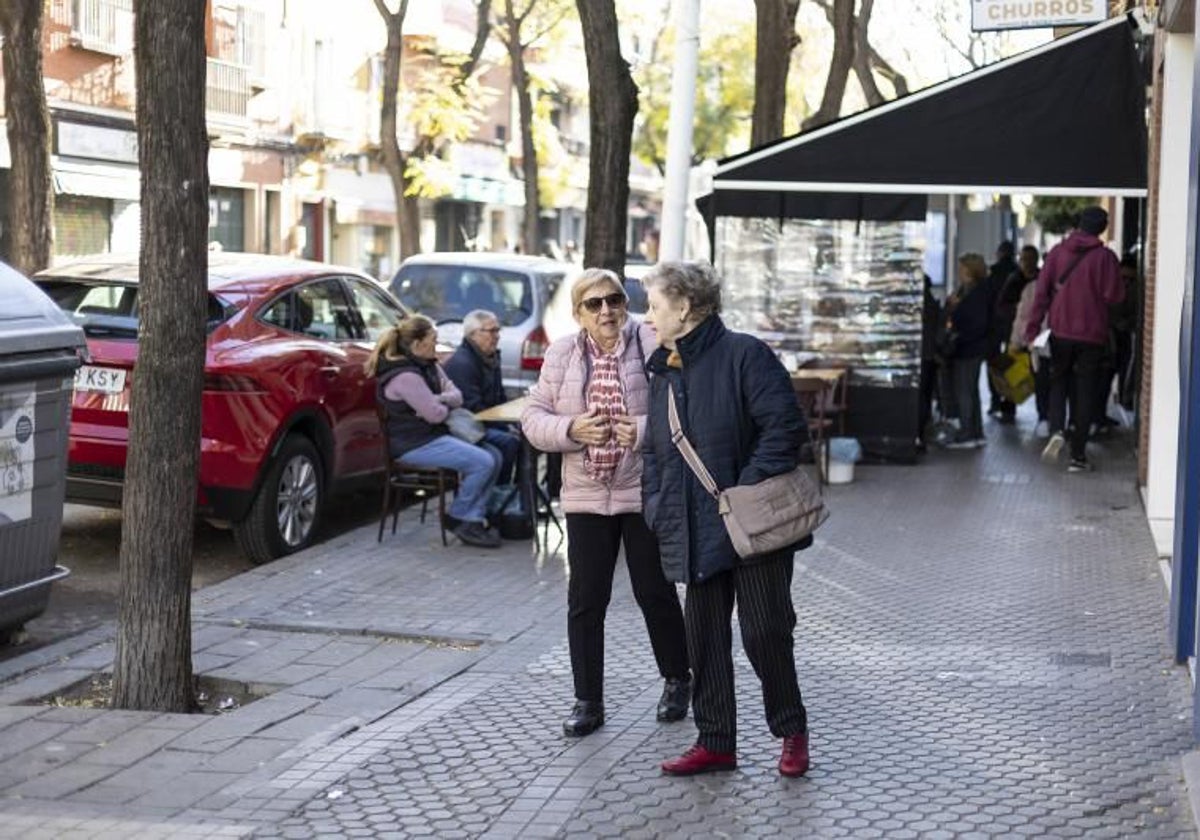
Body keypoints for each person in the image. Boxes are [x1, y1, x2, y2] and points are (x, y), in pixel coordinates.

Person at [640, 261, 811, 779]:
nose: (647, 316)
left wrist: (740, 493)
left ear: (686, 307)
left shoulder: (746, 354)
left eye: (654, 305)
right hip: (692, 530)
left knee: (765, 633)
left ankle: (791, 730)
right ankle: (715, 741)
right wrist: (655, 506)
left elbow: (784, 429)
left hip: (751, 527)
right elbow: (655, 452)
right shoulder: (664, 370)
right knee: (705, 640)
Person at [522, 268, 691, 738]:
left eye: (614, 300)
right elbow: (533, 417)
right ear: (578, 313)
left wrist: (638, 431)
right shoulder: (562, 353)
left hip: (641, 489)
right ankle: (587, 700)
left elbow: (682, 409)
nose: (606, 311)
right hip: (586, 494)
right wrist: (571, 429)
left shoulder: (652, 343)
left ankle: (678, 679)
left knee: (654, 592)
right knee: (586, 600)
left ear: (626, 303)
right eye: (594, 304)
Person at [366, 315, 503, 548]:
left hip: (433, 436)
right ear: (417, 344)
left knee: (496, 456)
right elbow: (436, 415)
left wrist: (437, 399)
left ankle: (474, 518)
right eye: (433, 339)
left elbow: (456, 396)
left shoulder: (430, 365)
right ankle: (460, 516)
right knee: (484, 462)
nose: (436, 344)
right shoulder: (405, 376)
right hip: (413, 444)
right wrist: (438, 404)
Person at [1023, 205, 1124, 473]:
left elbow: (1041, 295)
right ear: (1102, 228)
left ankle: (1057, 428)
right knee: (1085, 391)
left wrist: (1032, 331)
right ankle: (1078, 456)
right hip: (1092, 335)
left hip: (1061, 332)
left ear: (1079, 224)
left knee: (1058, 381)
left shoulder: (1057, 253)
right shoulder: (1106, 258)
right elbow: (1115, 296)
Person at [443, 309, 521, 486]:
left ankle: (519, 495)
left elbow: (500, 398)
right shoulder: (463, 362)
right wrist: (506, 427)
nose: (497, 336)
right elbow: (474, 409)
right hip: (465, 427)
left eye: (498, 330)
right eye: (491, 331)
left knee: (526, 437)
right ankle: (499, 497)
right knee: (509, 442)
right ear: (472, 335)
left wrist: (513, 422)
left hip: (483, 422)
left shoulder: (489, 357)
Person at [943, 254, 992, 449]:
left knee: (964, 391)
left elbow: (972, 321)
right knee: (971, 390)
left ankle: (967, 433)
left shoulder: (973, 294)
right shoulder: (979, 291)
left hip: (968, 347)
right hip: (974, 346)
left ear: (970, 271)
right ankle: (976, 431)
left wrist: (953, 310)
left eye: (962, 268)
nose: (959, 272)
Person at [1007, 246, 1052, 437]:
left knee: (1043, 380)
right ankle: (1064, 421)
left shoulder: (1033, 287)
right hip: (1065, 340)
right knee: (1062, 382)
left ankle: (1045, 419)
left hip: (1041, 341)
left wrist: (1015, 341)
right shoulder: (1074, 286)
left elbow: (1023, 317)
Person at [984, 241, 1018, 418]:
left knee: (993, 364)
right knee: (1011, 364)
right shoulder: (1017, 272)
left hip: (994, 325)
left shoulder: (993, 272)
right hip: (1012, 325)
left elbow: (987, 300)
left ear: (999, 253)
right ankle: (1010, 404)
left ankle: (995, 400)